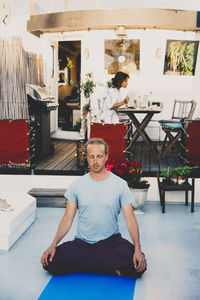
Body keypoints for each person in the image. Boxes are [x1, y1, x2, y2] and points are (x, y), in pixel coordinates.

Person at [41, 138, 147, 278]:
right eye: (91, 157)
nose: (95, 161)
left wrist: (137, 249)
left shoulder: (120, 185)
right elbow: (67, 219)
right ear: (87, 158)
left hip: (111, 242)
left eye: (99, 156)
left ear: (106, 157)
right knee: (49, 262)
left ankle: (88, 265)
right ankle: (108, 267)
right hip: (83, 244)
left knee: (138, 266)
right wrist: (53, 244)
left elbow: (130, 219)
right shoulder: (77, 185)